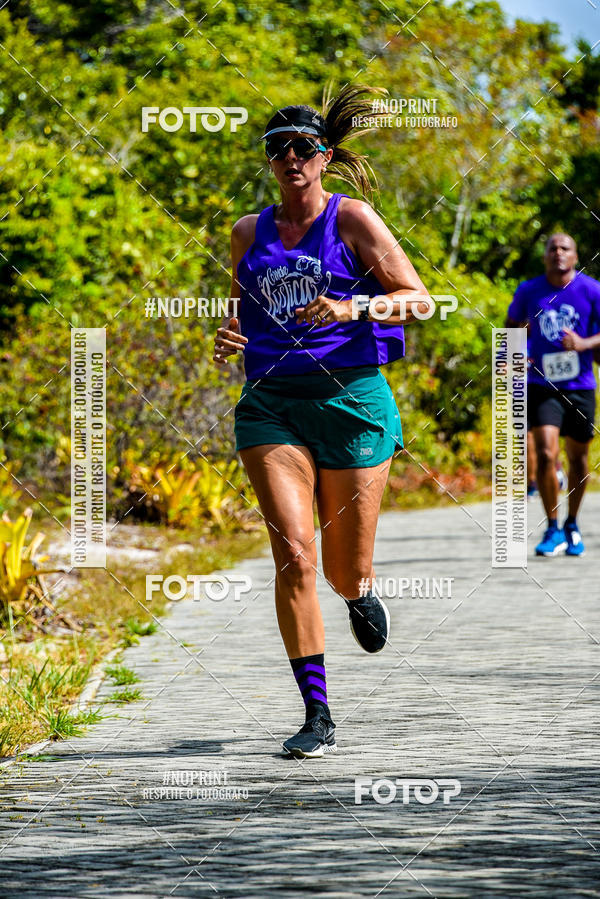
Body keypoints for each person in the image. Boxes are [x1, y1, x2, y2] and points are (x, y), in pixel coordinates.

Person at [212, 85, 432, 758]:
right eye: (277, 150)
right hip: (271, 404)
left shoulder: (353, 219)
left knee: (343, 570)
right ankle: (318, 713)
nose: (290, 159)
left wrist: (352, 310)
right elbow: (239, 310)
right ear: (269, 163)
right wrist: (230, 335)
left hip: (352, 400)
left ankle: (360, 593)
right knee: (295, 556)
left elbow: (418, 301)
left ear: (325, 156)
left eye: (303, 148)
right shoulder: (247, 232)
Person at [506, 233, 600, 556]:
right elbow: (511, 325)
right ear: (544, 256)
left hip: (581, 386)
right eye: (552, 249)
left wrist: (583, 344)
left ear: (575, 256)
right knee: (546, 453)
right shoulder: (529, 290)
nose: (558, 253)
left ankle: (572, 522)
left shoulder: (591, 290)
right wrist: (515, 356)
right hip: (541, 385)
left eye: (565, 248)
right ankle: (552, 527)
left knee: (577, 458)